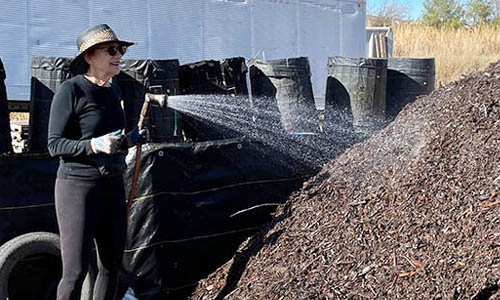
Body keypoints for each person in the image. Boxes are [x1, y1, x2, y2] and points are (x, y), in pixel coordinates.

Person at [47, 24, 147, 300]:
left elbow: (111, 139)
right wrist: (94, 145)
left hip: (112, 183)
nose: (119, 56)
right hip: (78, 187)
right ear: (89, 56)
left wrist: (129, 140)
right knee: (75, 272)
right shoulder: (72, 90)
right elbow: (54, 144)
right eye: (112, 50)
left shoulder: (113, 92)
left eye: (122, 50)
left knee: (111, 265)